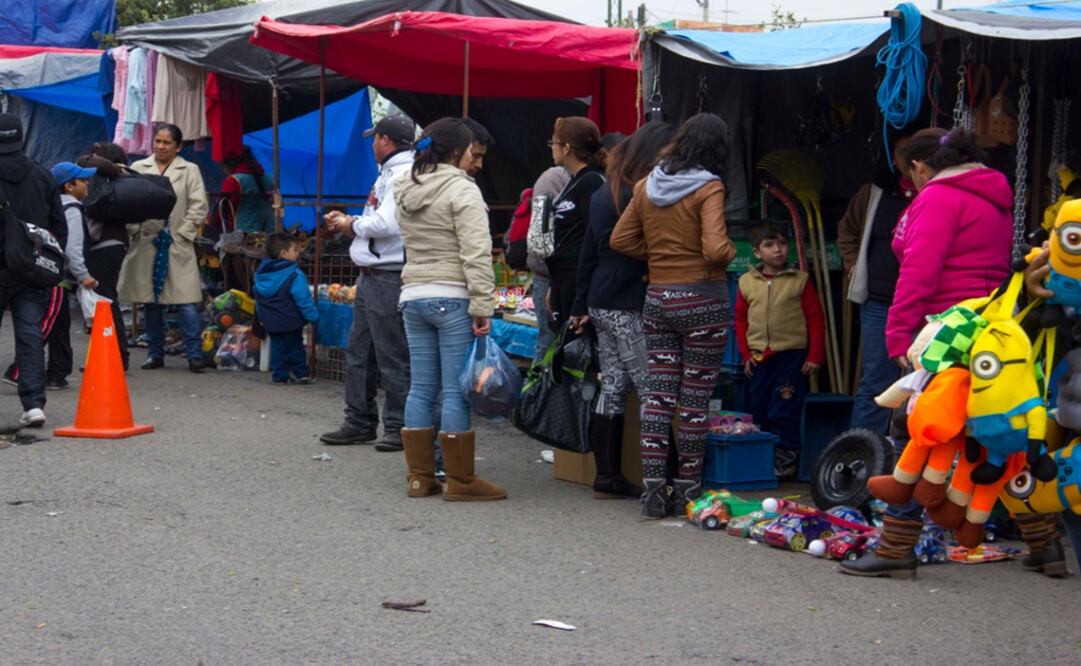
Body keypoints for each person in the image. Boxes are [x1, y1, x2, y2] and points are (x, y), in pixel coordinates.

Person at [842, 127, 1013, 579]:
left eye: (912, 173)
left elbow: (918, 270)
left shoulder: (940, 198)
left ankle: (897, 546)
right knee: (990, 433)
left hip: (945, 330)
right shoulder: (992, 197)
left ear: (920, 167)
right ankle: (1044, 539)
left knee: (915, 430)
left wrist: (900, 337)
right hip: (987, 327)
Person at [610, 112, 736, 518]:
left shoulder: (648, 184)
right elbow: (717, 249)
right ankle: (687, 491)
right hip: (703, 301)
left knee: (659, 397)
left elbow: (621, 238)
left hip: (658, 299)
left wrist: (660, 258)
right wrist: (733, 256)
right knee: (695, 400)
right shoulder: (709, 187)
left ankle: (652, 492)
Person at [394, 117, 505, 501]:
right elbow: (476, 253)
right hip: (452, 295)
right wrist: (483, 305)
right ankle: (460, 481)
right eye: (472, 152)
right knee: (455, 392)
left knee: (421, 388)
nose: (475, 160)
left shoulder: (405, 186)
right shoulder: (463, 190)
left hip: (413, 295)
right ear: (458, 151)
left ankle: (419, 477)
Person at [568, 121, 674, 499]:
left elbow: (588, 252)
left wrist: (580, 304)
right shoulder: (636, 192)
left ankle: (607, 475)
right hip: (628, 299)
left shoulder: (605, 190)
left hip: (602, 299)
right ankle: (661, 478)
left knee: (612, 384)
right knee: (649, 387)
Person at [320, 114, 415, 451]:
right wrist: (353, 223)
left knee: (390, 353)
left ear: (385, 140)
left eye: (375, 138)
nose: (372, 144)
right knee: (360, 351)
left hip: (387, 275)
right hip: (373, 273)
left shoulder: (402, 173)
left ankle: (398, 425)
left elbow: (387, 224)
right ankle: (359, 420)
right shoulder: (389, 172)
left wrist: (351, 223)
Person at [838, 134, 917, 435]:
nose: (908, 158)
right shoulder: (873, 193)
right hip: (879, 299)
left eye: (914, 152)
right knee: (876, 379)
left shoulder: (935, 194)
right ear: (892, 156)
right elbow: (847, 230)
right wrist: (853, 266)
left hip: (923, 302)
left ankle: (904, 460)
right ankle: (862, 455)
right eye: (902, 151)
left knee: (922, 380)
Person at [736, 220, 825, 480]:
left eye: (782, 243)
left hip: (791, 356)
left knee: (783, 409)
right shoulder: (746, 282)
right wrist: (744, 355)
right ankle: (761, 458)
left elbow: (815, 319)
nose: (778, 250)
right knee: (758, 409)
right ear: (756, 252)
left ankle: (786, 459)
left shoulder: (800, 281)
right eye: (769, 245)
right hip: (758, 357)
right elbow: (740, 321)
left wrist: (815, 355)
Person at [119, 123, 209, 373]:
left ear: (178, 146)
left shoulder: (190, 170)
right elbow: (128, 203)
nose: (160, 146)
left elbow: (198, 205)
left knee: (187, 300)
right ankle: (155, 353)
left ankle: (194, 354)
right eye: (157, 141)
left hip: (177, 241)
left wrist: (183, 233)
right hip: (147, 241)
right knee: (150, 301)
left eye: (166, 142)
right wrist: (135, 231)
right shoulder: (138, 168)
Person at [3, 160, 98, 391]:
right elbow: (71, 249)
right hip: (55, 275)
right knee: (46, 323)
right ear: (69, 185)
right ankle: (20, 372)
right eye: (83, 180)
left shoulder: (42, 202)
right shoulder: (72, 210)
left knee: (57, 323)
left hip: (43, 269)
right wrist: (84, 276)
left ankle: (57, 372)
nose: (87, 184)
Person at [0, 113, 68, 427]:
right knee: (29, 334)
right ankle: (33, 404)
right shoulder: (42, 175)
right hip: (31, 269)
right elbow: (59, 227)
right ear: (21, 138)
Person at [544, 116, 608, 330]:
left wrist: (583, 299)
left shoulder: (592, 182)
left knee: (576, 349)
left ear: (566, 148)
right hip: (563, 280)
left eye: (553, 142)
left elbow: (594, 239)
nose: (551, 148)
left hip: (579, 282)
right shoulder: (574, 181)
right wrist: (553, 283)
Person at [78, 142, 135, 371]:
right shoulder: (113, 179)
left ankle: (116, 356)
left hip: (105, 245)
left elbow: (83, 161)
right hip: (113, 244)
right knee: (103, 300)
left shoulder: (110, 175)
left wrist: (99, 160)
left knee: (104, 302)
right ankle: (110, 354)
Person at [253, 233, 319, 385]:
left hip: (270, 320)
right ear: (283, 253)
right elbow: (303, 298)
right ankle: (301, 373)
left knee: (277, 347)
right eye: (295, 250)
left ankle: (280, 376)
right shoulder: (294, 274)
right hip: (291, 319)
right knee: (295, 345)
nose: (298, 253)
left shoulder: (261, 274)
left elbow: (258, 299)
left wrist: (262, 317)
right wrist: (313, 316)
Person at [528, 166, 569, 359]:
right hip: (548, 275)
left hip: (567, 277)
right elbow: (540, 234)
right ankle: (540, 389)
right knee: (549, 341)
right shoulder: (554, 177)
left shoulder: (589, 179)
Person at [220, 147, 276, 234]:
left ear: (229, 163)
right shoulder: (269, 178)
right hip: (269, 234)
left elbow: (222, 211)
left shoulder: (234, 180)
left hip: (245, 236)